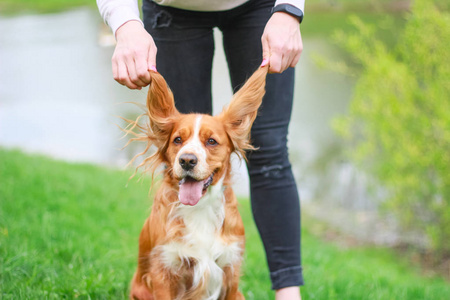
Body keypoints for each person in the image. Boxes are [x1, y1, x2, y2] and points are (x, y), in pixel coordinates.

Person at [97, 0, 305, 299]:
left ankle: (288, 294)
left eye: (211, 143)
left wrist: (289, 9)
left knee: (270, 153)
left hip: (260, 5)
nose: (189, 152)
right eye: (178, 144)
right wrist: (124, 23)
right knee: (186, 137)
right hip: (172, 9)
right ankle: (178, 252)